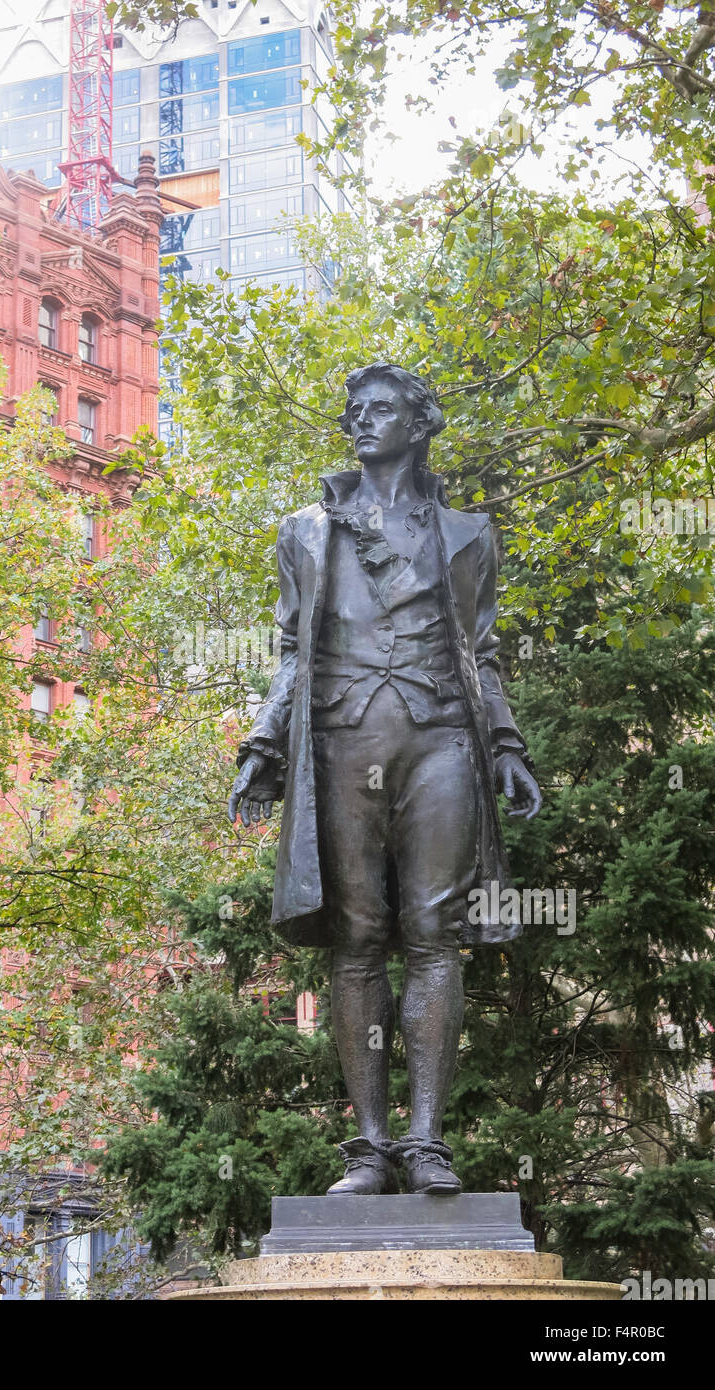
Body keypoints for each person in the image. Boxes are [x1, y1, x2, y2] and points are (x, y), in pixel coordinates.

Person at [228, 363, 541, 1196]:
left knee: (435, 934)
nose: (362, 421)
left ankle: (426, 1140)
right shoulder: (305, 531)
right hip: (338, 740)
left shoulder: (467, 533)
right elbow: (292, 650)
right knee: (358, 939)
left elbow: (481, 652)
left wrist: (505, 745)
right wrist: (263, 745)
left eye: (382, 409)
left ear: (420, 423)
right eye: (353, 410)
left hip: (440, 739)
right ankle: (368, 1149)